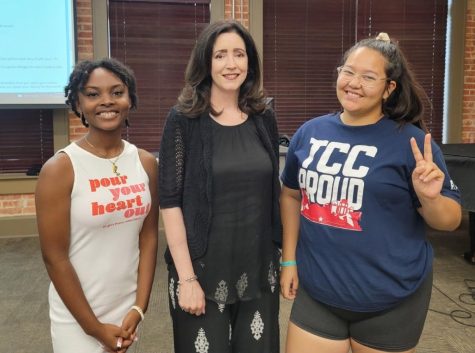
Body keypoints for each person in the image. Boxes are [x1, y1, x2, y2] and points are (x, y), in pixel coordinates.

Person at [280, 33, 462, 353]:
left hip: (390, 300)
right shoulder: (309, 132)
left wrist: (430, 198)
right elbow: (292, 195)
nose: (353, 83)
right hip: (319, 293)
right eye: (348, 72)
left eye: (368, 77)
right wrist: (289, 260)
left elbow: (449, 221)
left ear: (389, 88)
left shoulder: (413, 144)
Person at [158, 20, 282, 353]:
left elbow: (274, 192)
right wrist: (186, 279)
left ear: (249, 62)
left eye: (239, 54)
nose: (231, 64)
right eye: (220, 55)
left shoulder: (263, 116)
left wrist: (285, 261)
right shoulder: (183, 120)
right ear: (205, 63)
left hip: (259, 269)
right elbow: (170, 203)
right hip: (201, 272)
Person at [35, 58, 158, 353]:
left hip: (127, 312)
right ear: (77, 104)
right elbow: (55, 258)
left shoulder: (145, 163)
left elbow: (149, 237)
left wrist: (139, 307)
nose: (107, 101)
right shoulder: (60, 169)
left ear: (130, 100)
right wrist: (94, 328)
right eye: (93, 94)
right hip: (78, 319)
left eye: (117, 92)